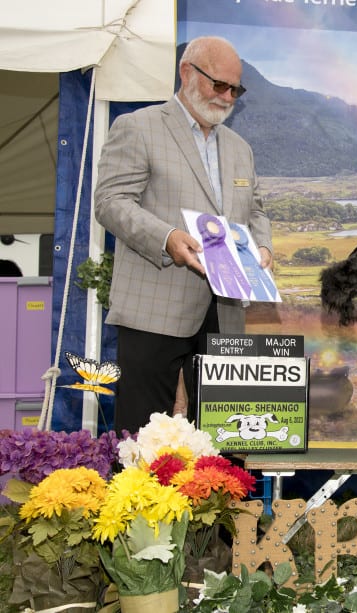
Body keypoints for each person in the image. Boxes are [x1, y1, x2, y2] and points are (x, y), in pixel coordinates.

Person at [94, 36, 273, 434]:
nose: (228, 97)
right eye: (219, 85)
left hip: (224, 313)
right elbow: (109, 201)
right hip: (153, 309)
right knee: (141, 442)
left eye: (236, 89)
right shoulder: (137, 128)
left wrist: (262, 246)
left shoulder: (240, 147)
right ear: (187, 72)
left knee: (224, 442)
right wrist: (168, 236)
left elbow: (256, 208)